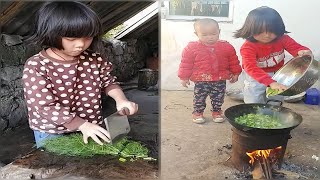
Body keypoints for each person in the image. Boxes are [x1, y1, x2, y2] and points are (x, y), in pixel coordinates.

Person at [22, 1, 138, 148]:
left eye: (87, 38)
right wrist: (81, 124)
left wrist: (121, 100)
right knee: (54, 166)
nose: (80, 45)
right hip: (52, 130)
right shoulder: (37, 66)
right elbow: (44, 106)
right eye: (71, 39)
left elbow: (108, 82)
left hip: (90, 125)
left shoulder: (94, 59)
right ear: (51, 34)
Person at [234, 6, 313, 104]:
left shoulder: (283, 39)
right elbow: (251, 68)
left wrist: (303, 51)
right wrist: (270, 82)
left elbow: (296, 48)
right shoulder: (248, 47)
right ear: (251, 29)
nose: (267, 35)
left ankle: (273, 111)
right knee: (255, 97)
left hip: (278, 73)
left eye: (272, 31)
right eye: (261, 31)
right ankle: (255, 112)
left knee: (277, 96)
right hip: (255, 75)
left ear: (279, 28)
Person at [178, 18, 242, 124]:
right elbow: (186, 64)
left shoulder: (227, 47)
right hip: (201, 80)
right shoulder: (191, 48)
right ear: (196, 34)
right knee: (199, 98)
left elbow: (233, 61)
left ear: (219, 32)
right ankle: (198, 113)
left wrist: (236, 73)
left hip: (219, 79)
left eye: (213, 34)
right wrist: (184, 77)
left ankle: (217, 112)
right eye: (205, 35)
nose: (210, 37)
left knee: (219, 97)